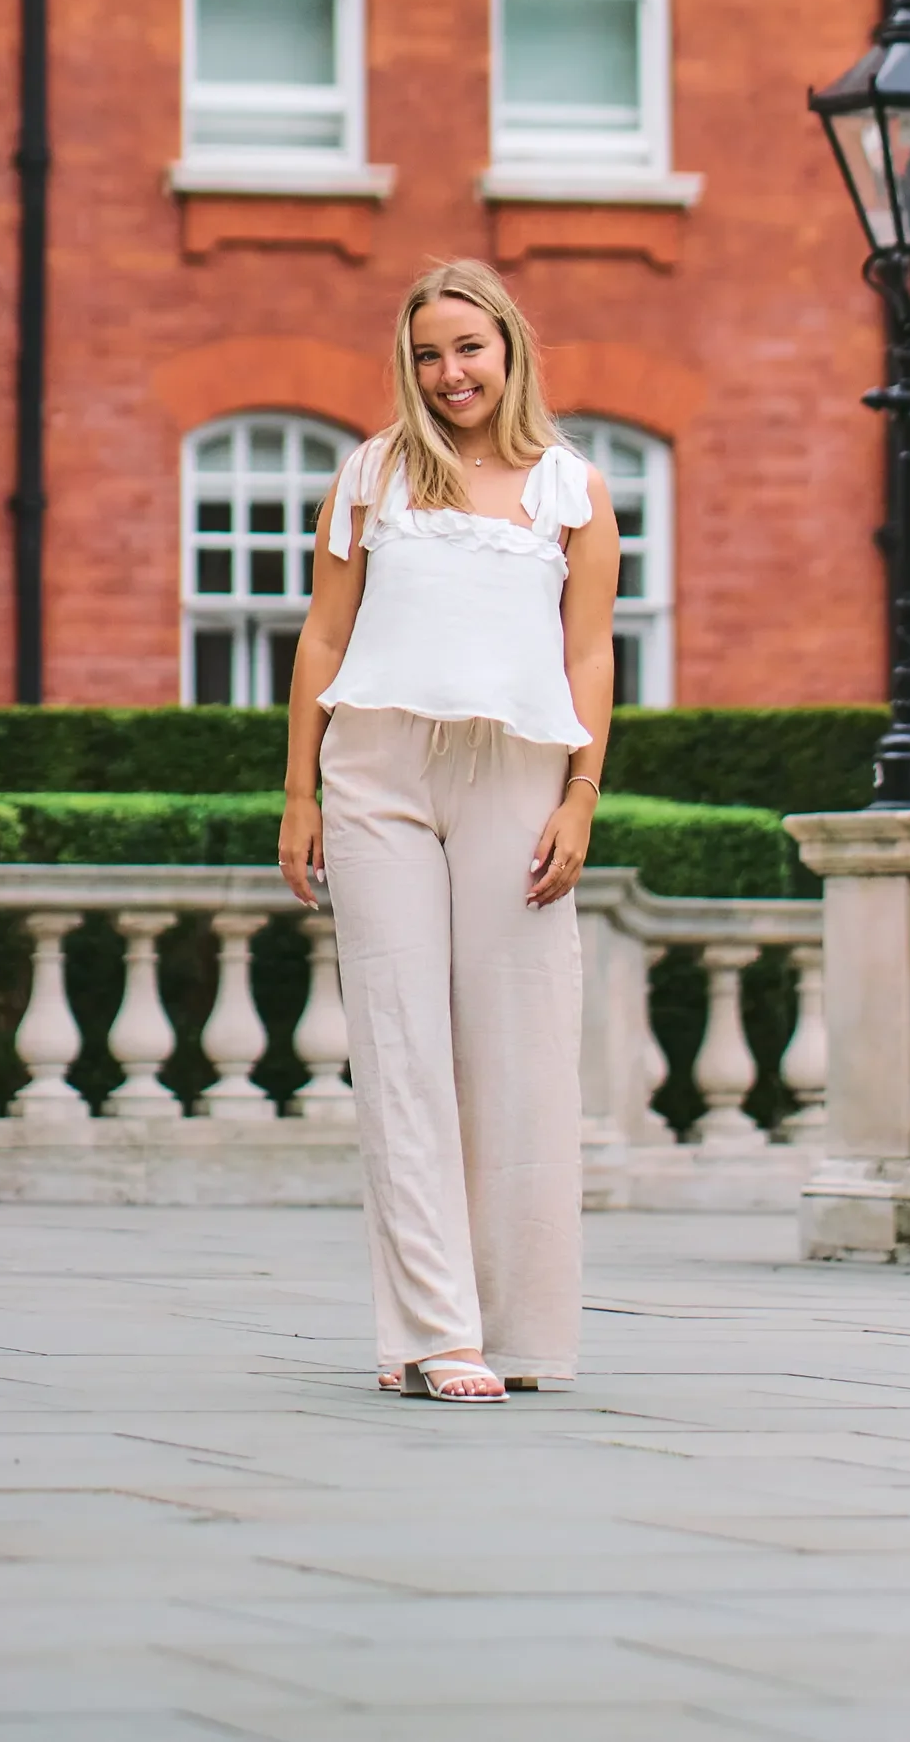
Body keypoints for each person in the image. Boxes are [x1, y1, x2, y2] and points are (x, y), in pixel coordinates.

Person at [278, 258, 620, 1404]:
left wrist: (582, 792)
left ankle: (513, 1328)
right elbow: (323, 638)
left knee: (519, 1051)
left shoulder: (573, 489)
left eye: (468, 348)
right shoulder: (371, 475)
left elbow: (587, 654)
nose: (449, 373)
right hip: (377, 769)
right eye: (428, 354)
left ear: (509, 346)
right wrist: (298, 794)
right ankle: (433, 1327)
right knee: (401, 1046)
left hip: (517, 774)